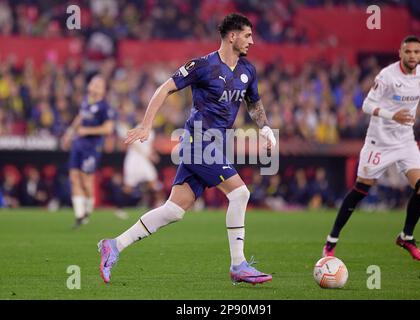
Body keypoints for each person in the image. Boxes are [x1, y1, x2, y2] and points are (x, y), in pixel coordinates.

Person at [97, 13, 276, 285]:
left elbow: (254, 102)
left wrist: (264, 127)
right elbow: (163, 89)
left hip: (217, 144)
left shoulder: (248, 70)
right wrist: (146, 125)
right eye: (248, 35)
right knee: (240, 193)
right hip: (197, 142)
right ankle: (238, 264)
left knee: (174, 210)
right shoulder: (202, 65)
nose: (252, 41)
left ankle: (114, 245)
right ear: (232, 36)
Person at [322, 35, 420, 261]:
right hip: (379, 142)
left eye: (416, 52)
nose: (412, 56)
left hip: (405, 141)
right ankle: (331, 240)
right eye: (408, 52)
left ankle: (406, 237)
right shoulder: (387, 76)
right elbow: (366, 105)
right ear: (400, 53)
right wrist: (392, 115)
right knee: (361, 190)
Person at [62, 75, 115, 228]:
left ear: (104, 90)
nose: (95, 85)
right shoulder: (86, 101)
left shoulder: (105, 107)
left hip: (92, 146)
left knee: (86, 180)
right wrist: (69, 133)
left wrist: (88, 130)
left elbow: (108, 128)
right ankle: (79, 215)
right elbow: (80, 117)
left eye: (99, 84)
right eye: (94, 82)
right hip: (78, 144)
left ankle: (88, 211)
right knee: (73, 177)